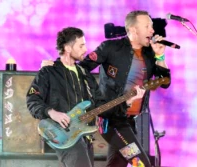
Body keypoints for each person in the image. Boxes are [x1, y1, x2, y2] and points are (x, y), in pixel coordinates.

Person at [41, 10, 171, 167]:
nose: (152, 30)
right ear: (134, 30)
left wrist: (160, 56)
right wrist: (55, 67)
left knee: (117, 164)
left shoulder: (150, 53)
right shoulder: (110, 48)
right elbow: (81, 67)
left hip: (128, 121)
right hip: (110, 119)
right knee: (141, 163)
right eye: (147, 26)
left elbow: (165, 82)